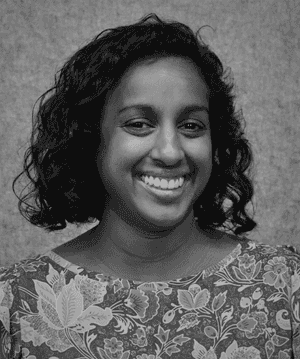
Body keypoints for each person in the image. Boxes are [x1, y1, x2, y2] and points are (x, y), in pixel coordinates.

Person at [1, 13, 299, 359]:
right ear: (88, 140)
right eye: (139, 124)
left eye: (191, 126)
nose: (171, 152)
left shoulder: (285, 287)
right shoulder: (17, 304)